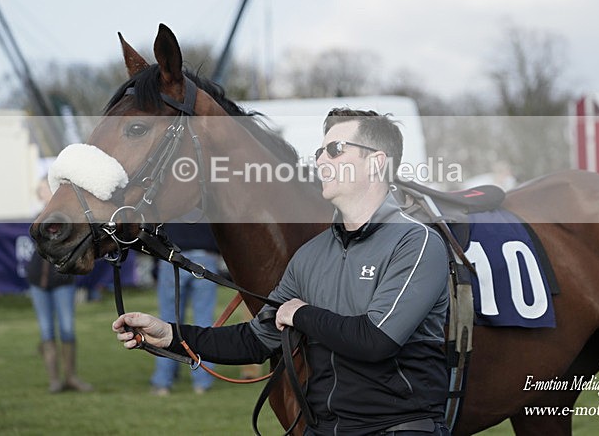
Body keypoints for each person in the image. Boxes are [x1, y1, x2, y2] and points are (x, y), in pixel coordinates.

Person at [113, 109, 450, 435]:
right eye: (320, 151)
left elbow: (376, 341)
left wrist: (300, 314)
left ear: (377, 162)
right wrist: (171, 335)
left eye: (335, 151)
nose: (320, 161)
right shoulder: (311, 255)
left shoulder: (417, 242)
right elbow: (256, 340)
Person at [27, 178, 93, 393]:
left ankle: (71, 377)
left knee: (67, 329)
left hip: (63, 279)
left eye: (48, 188)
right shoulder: (38, 217)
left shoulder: (67, 216)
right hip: (38, 281)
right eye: (43, 190)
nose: (47, 192)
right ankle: (54, 380)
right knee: (46, 331)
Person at [150, 221, 221, 396]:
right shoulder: (206, 197)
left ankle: (163, 381)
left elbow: (155, 230)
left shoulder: (169, 198)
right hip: (205, 256)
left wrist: (154, 264)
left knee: (167, 322)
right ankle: (202, 381)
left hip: (172, 256)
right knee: (204, 321)